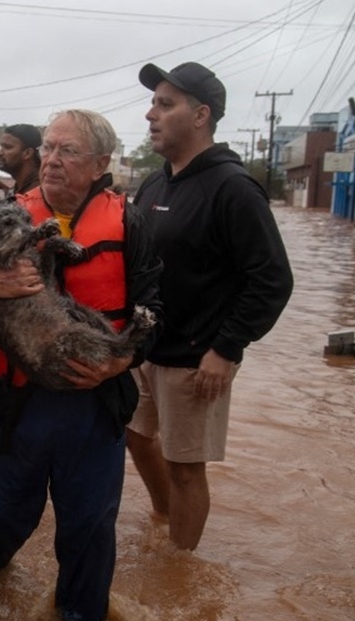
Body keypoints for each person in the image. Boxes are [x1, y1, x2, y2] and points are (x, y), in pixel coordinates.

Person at [0, 109, 163, 621]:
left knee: (88, 531)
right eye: (49, 149)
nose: (52, 161)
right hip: (10, 404)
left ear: (101, 163)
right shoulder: (7, 216)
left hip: (92, 406)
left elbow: (160, 311)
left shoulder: (130, 223)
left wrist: (123, 361)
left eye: (69, 152)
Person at [125, 62, 293, 551]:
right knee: (135, 438)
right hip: (146, 348)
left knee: (185, 469)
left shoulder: (233, 188)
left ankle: (181, 568)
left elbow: (272, 280)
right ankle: (164, 519)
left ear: (201, 115)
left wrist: (226, 349)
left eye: (165, 103)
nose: (150, 114)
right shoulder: (155, 184)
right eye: (153, 102)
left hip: (197, 360)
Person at [0, 123, 42, 202]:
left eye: (7, 147)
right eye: (1, 147)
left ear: (27, 153)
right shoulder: (16, 190)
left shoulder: (41, 193)